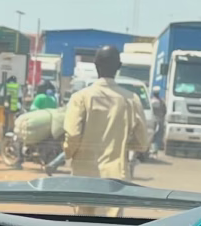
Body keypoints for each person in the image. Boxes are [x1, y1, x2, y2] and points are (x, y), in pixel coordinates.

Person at [63, 45, 149, 215]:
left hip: (84, 175)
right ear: (119, 67)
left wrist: (69, 153)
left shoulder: (80, 98)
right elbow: (142, 143)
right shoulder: (131, 99)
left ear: (95, 65)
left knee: (82, 225)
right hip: (116, 179)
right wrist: (124, 144)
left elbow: (73, 135)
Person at [151, 87, 167, 154]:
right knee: (158, 135)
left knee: (152, 134)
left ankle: (152, 148)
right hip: (159, 120)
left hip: (153, 120)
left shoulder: (150, 101)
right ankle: (155, 149)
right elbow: (165, 111)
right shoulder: (162, 102)